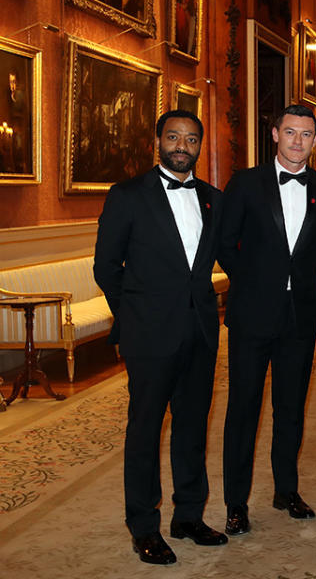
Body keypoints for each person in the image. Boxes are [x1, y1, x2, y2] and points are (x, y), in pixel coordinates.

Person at [93, 109, 226, 565]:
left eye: (191, 139)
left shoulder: (212, 198)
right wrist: (132, 321)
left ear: (199, 146)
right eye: (174, 137)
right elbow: (106, 267)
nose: (182, 146)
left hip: (200, 332)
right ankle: (144, 526)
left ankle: (188, 516)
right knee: (145, 431)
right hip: (149, 336)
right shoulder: (128, 195)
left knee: (192, 429)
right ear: (158, 141)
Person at [219, 104, 316, 536]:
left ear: (314, 140)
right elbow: (224, 243)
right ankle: (236, 503)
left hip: (300, 317)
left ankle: (286, 490)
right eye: (290, 132)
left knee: (290, 409)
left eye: (307, 135)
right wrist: (253, 281)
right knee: (243, 410)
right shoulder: (246, 183)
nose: (298, 141)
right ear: (274, 134)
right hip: (251, 316)